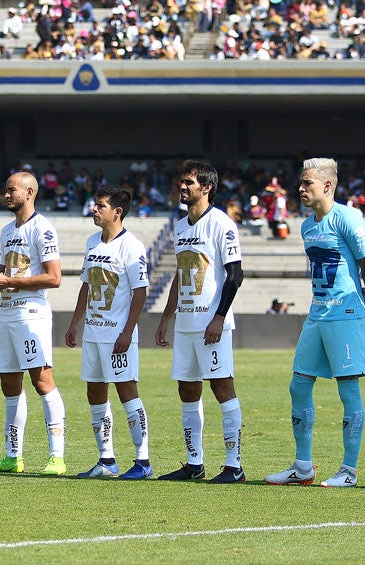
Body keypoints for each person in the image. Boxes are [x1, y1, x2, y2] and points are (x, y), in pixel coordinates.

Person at [264, 158, 365, 488]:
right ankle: (303, 467)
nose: (300, 188)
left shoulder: (347, 217)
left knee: (348, 389)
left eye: (307, 183)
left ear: (327, 186)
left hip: (345, 313)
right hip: (318, 312)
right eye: (301, 183)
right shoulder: (306, 226)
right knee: (298, 385)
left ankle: (349, 470)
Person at [154, 160, 246, 483]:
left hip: (212, 323)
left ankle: (234, 466)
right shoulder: (180, 227)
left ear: (206, 188)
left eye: (189, 182)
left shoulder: (222, 224)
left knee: (222, 387)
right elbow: (181, 277)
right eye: (182, 181)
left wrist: (219, 317)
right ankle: (195, 464)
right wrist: (166, 318)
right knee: (187, 389)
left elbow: (235, 276)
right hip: (186, 324)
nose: (183, 186)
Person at [0, 172, 67, 476]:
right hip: (7, 312)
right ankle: (12, 456)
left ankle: (57, 457)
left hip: (31, 314)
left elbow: (54, 277)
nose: (5, 195)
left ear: (29, 193)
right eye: (5, 190)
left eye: (11, 190)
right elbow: (9, 275)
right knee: (9, 384)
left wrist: (11, 281)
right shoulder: (6, 231)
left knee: (41, 380)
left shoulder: (43, 228)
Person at [65, 185, 152, 479]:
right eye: (94, 204)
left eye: (100, 205)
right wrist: (75, 322)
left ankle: (143, 461)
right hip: (93, 332)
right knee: (94, 392)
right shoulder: (92, 242)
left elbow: (140, 293)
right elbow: (87, 286)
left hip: (117, 335)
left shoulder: (132, 246)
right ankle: (106, 459)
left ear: (117, 212)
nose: (94, 209)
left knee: (127, 392)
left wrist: (128, 332)